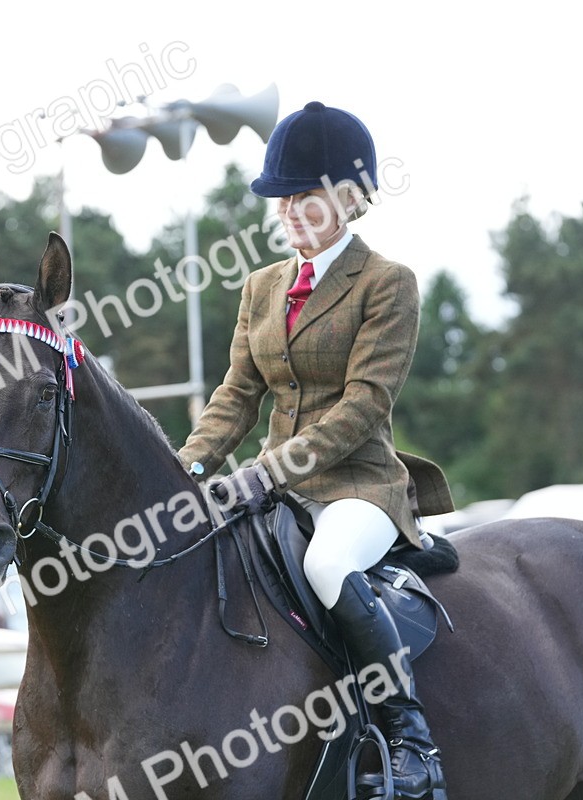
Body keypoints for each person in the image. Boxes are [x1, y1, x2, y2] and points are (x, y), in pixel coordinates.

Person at [178, 101, 451, 800]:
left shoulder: (387, 284)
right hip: (273, 489)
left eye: (305, 198)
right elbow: (238, 394)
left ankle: (408, 737)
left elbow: (365, 406)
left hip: (357, 488)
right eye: (283, 199)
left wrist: (266, 472)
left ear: (347, 198)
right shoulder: (262, 287)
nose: (289, 213)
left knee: (327, 563)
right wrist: (191, 468)